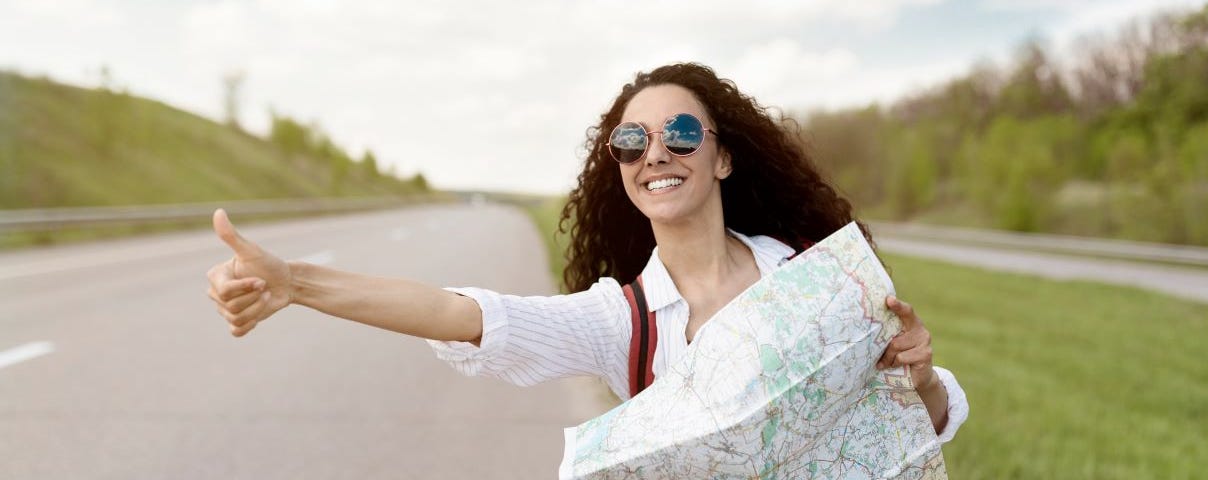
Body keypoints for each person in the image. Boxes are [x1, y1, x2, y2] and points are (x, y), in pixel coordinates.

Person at [204, 63, 968, 444]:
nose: (656, 153)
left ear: (724, 157)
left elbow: (919, 424)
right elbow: (461, 314)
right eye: (632, 141)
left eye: (683, 133)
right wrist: (298, 282)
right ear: (621, 167)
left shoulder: (814, 276)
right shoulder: (621, 321)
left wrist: (923, 380)